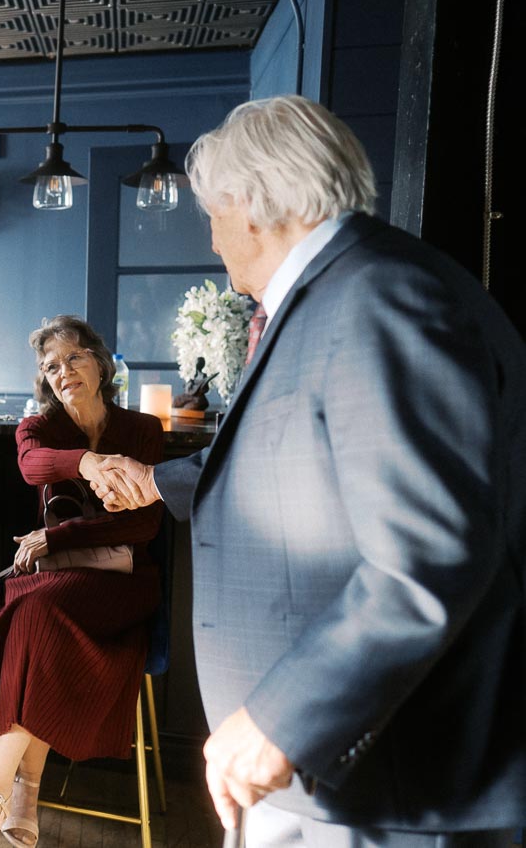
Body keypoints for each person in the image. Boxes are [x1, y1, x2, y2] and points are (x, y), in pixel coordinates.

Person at [84, 95, 526, 847]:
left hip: (380, 787)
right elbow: (288, 459)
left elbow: (427, 559)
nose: (215, 242)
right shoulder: (347, 294)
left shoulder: (381, 300)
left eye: (212, 215)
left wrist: (282, 717)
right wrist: (158, 479)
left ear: (251, 205)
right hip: (329, 782)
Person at [0, 315, 164, 847]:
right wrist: (90, 463)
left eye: (74, 357)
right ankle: (16, 800)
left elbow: (143, 524)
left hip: (123, 583)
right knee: (28, 618)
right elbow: (34, 467)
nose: (64, 371)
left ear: (99, 363)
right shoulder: (37, 431)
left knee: (24, 621)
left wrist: (55, 538)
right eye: (51, 366)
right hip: (55, 586)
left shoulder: (144, 430)